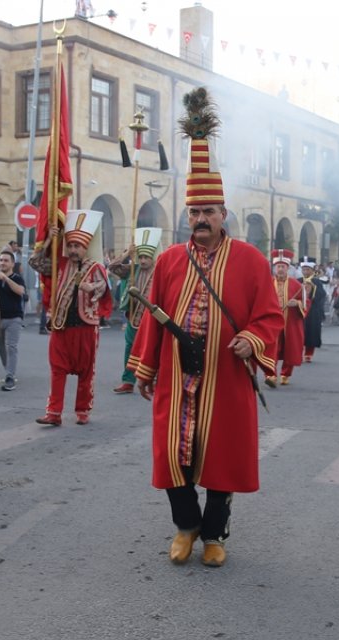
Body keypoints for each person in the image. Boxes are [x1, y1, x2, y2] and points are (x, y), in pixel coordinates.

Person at [129, 87, 283, 568]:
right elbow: (154, 316)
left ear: (223, 215)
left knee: (222, 461)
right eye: (193, 213)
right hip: (177, 379)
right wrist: (143, 367)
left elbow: (271, 315)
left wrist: (251, 339)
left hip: (225, 377)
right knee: (172, 457)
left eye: (208, 213)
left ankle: (215, 536)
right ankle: (185, 526)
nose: (200, 219)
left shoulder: (251, 260)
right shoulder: (171, 260)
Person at [33, 211, 113, 426]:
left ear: (86, 247)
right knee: (57, 370)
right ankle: (54, 413)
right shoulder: (60, 265)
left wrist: (92, 287)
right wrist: (51, 238)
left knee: (86, 372)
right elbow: (36, 263)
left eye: (78, 246)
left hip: (86, 327)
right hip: (61, 326)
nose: (73, 250)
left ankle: (83, 410)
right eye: (70, 245)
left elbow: (104, 286)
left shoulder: (95, 267)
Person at [108, 227, 162, 395]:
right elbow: (112, 267)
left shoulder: (160, 272)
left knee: (153, 350)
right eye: (141, 257)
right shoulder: (133, 269)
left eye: (147, 257)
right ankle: (128, 381)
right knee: (130, 348)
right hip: (133, 317)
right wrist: (127, 254)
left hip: (152, 319)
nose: (144, 260)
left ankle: (153, 379)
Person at [268, 249, 306, 385]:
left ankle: (285, 374)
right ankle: (271, 375)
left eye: (283, 267)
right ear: (274, 268)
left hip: (290, 323)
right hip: (272, 323)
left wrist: (297, 303)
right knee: (271, 349)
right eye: (278, 267)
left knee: (290, 348)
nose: (280, 269)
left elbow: (305, 303)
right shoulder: (267, 284)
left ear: (288, 268)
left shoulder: (297, 285)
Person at [0, 250, 26, 391]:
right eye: (1, 260)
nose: (3, 263)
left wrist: (6, 279)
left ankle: (10, 377)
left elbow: (20, 291)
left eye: (6, 260)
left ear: (12, 263)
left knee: (11, 347)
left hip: (14, 318)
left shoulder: (17, 278)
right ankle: (8, 371)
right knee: (1, 348)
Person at [299, 257, 328, 363]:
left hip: (313, 311)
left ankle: (308, 353)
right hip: (300, 310)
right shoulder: (298, 281)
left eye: (308, 269)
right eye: (304, 269)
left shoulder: (317, 282)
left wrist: (311, 292)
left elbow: (321, 295)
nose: (306, 271)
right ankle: (298, 352)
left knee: (311, 332)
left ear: (312, 270)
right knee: (299, 332)